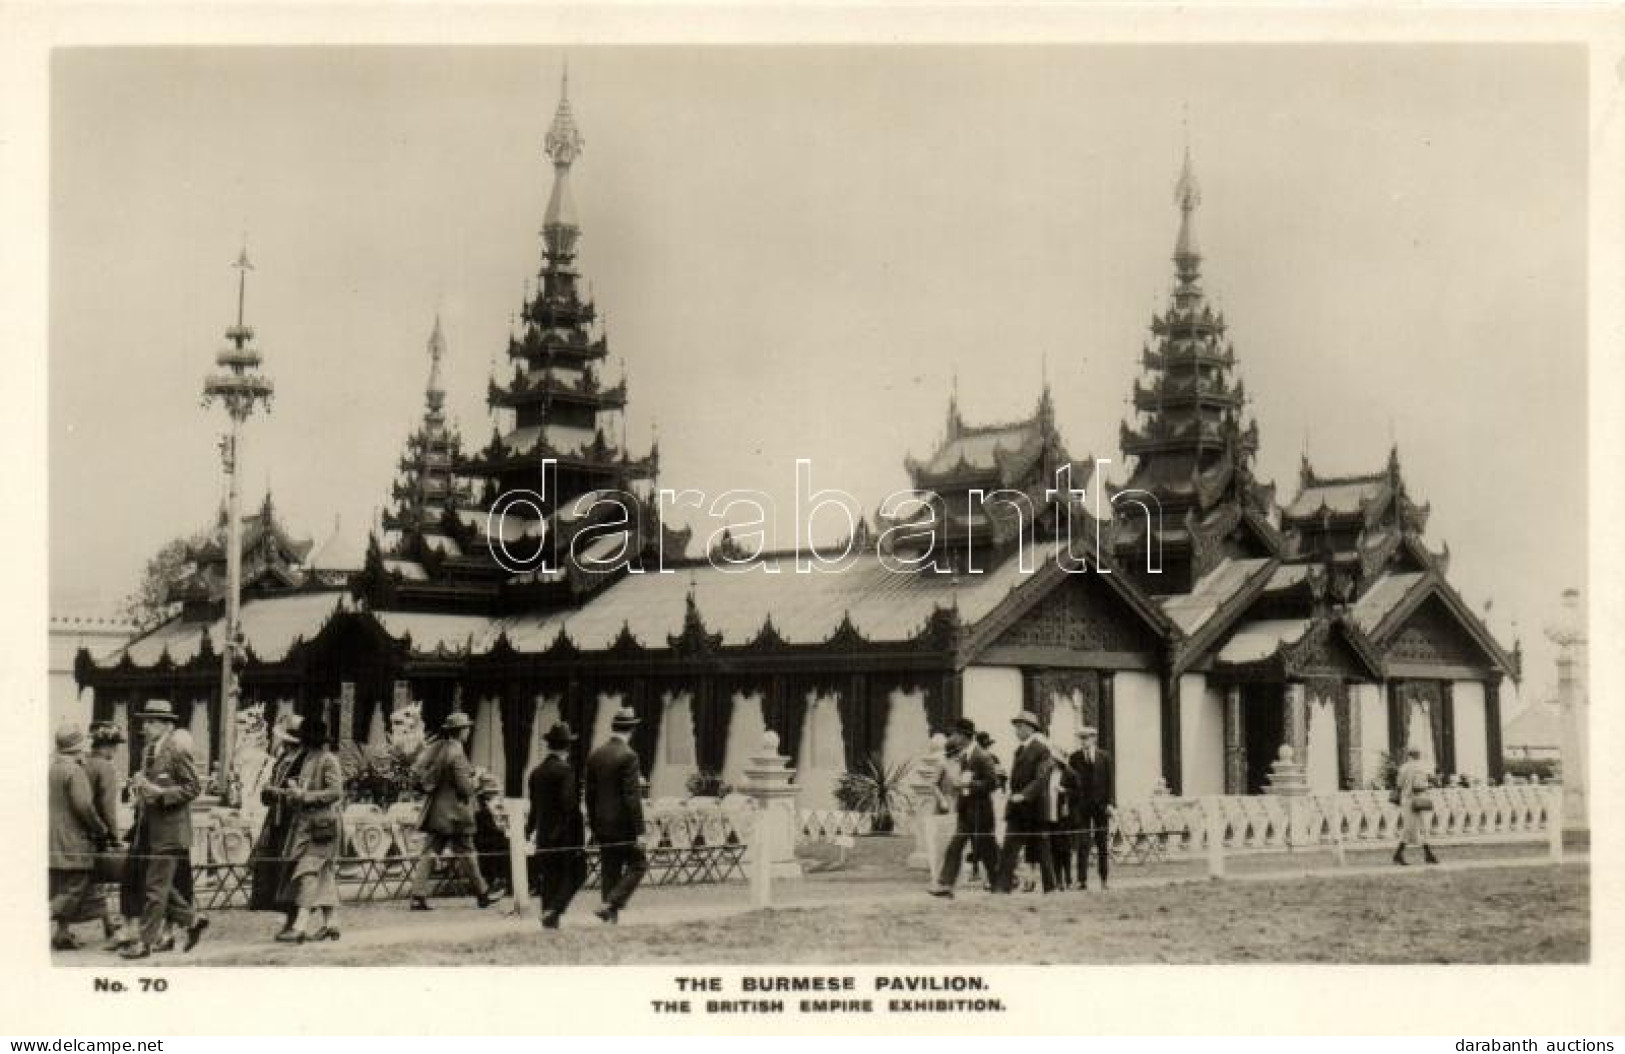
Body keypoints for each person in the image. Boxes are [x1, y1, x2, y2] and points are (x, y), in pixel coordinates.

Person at [121, 700, 207, 959]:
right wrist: (140, 787)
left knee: (155, 889)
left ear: (167, 725)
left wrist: (159, 793)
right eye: (144, 721)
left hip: (170, 831)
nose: (145, 726)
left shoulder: (176, 750)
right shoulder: (149, 750)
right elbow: (153, 785)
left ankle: (144, 943)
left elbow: (193, 787)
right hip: (149, 829)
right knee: (157, 885)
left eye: (151, 721)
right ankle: (192, 920)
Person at [408, 710, 492, 911]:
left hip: (437, 812)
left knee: (430, 853)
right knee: (467, 853)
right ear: (461, 731)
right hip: (456, 814)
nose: (469, 731)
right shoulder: (457, 754)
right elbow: (465, 789)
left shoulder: (441, 749)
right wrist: (478, 779)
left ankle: (418, 895)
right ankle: (482, 893)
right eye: (467, 728)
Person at [273, 715, 345, 941]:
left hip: (321, 826)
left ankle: (300, 926)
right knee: (324, 874)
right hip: (306, 825)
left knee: (307, 873)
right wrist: (291, 795)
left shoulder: (328, 760)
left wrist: (305, 796)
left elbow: (335, 792)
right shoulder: (308, 759)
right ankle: (331, 924)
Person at [248, 714, 308, 940]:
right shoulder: (282, 758)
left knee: (290, 869)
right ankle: (284, 914)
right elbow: (272, 787)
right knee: (273, 868)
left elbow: (301, 790)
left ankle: (294, 919)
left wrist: (280, 793)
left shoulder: (303, 760)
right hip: (276, 820)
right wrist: (269, 792)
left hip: (293, 821)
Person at [49, 724, 109, 951]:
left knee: (63, 886)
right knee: (75, 885)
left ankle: (62, 934)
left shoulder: (53, 768)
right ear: (77, 748)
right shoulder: (74, 771)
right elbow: (84, 806)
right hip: (73, 840)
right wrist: (100, 828)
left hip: (53, 839)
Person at [585, 707, 648, 924]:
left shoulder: (596, 755)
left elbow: (589, 796)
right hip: (623, 825)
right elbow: (632, 797)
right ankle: (611, 903)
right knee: (639, 864)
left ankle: (610, 919)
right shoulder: (629, 756)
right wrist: (640, 831)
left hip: (602, 823)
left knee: (609, 870)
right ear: (632, 730)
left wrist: (593, 824)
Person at [927, 718, 999, 899]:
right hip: (966, 810)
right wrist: (961, 786)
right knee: (955, 846)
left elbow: (993, 782)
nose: (953, 737)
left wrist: (969, 784)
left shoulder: (982, 756)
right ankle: (945, 884)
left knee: (987, 849)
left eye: (955, 734)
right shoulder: (965, 755)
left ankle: (1006, 878)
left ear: (963, 736)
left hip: (981, 812)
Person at [526, 721, 586, 930]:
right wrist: (578, 836)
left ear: (549, 745)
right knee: (578, 872)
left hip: (543, 834)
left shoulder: (536, 773)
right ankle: (555, 910)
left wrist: (530, 830)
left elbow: (534, 807)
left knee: (549, 879)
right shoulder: (565, 771)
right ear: (567, 747)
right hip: (564, 835)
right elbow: (569, 807)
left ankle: (549, 919)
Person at [995, 711, 1056, 894]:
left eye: (1020, 726)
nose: (1017, 730)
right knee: (1009, 847)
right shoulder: (1019, 750)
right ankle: (1002, 887)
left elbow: (1042, 778)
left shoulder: (1042, 750)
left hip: (1035, 808)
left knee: (1043, 850)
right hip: (1017, 809)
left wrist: (1024, 795)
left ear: (1031, 728)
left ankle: (1050, 888)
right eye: (1016, 726)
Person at [80, 722, 124, 946]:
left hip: (79, 830)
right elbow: (108, 805)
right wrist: (114, 835)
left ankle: (108, 923)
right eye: (114, 746)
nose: (115, 751)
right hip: (98, 831)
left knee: (86, 879)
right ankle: (110, 924)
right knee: (99, 878)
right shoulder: (105, 768)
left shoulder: (82, 763)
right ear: (107, 746)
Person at [1068, 726, 1115, 891]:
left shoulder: (1105, 757)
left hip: (1101, 806)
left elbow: (1110, 783)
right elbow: (1071, 784)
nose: (1084, 741)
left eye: (1087, 738)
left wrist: (1110, 803)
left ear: (1094, 739)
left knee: (1102, 843)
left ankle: (1104, 879)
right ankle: (1082, 880)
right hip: (1082, 807)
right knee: (1083, 843)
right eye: (1081, 738)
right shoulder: (1074, 758)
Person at [1393, 746, 1440, 866]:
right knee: (1419, 827)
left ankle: (1426, 854)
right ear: (1418, 755)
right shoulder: (1422, 767)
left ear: (1409, 755)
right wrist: (1430, 785)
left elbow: (1398, 785)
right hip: (1418, 799)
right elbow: (1419, 786)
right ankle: (1425, 854)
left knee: (1411, 828)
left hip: (1406, 800)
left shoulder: (1404, 767)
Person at [472, 772, 512, 898]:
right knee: (507, 845)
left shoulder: (483, 807)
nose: (495, 795)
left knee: (506, 844)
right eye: (492, 792)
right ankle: (504, 880)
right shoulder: (480, 809)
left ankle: (503, 880)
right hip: (484, 841)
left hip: (485, 839)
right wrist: (504, 832)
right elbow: (489, 828)